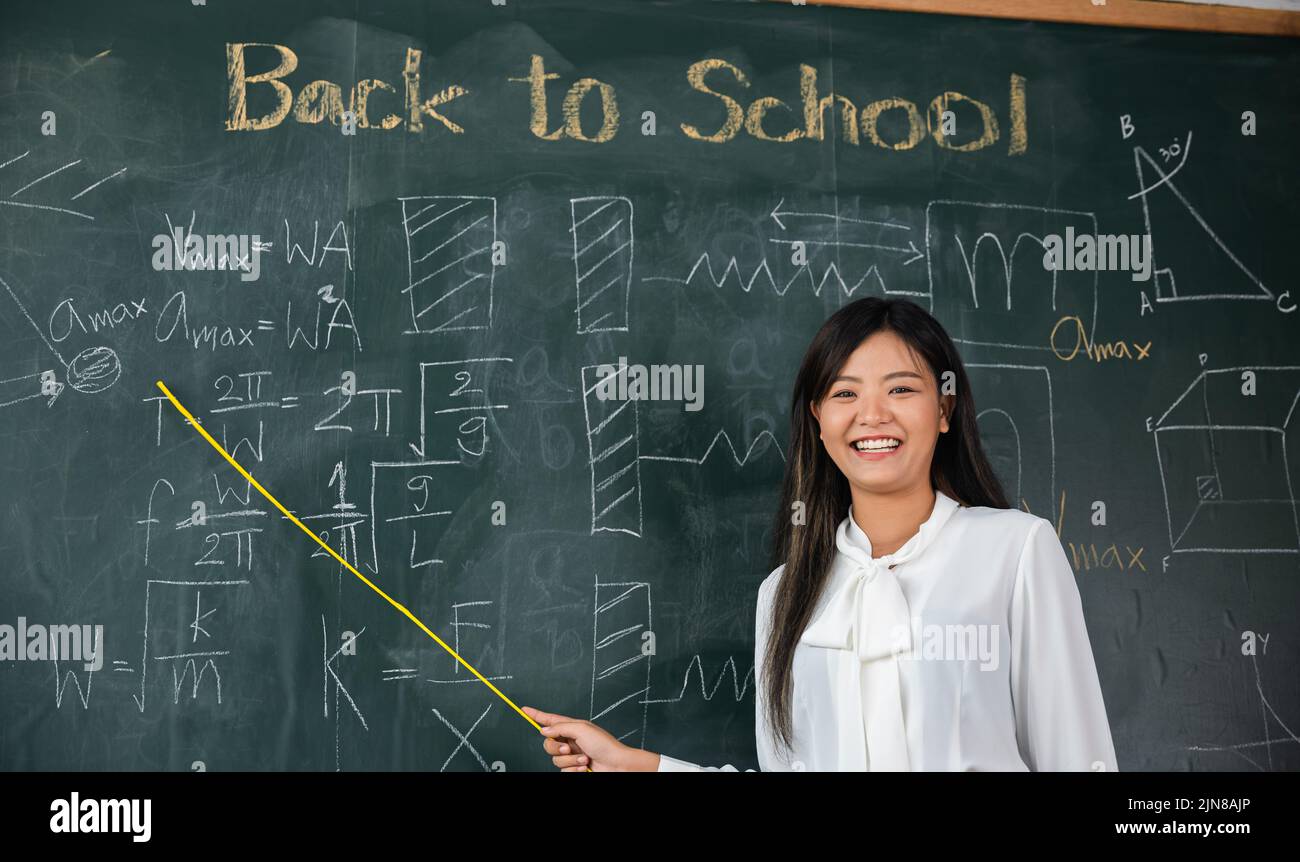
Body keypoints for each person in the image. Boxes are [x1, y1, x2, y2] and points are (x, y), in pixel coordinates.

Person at [523, 297, 1118, 772]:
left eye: (902, 389)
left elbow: (1079, 757)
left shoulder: (1014, 551)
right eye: (845, 393)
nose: (873, 414)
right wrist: (640, 769)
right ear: (819, 419)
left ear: (944, 410)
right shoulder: (785, 595)